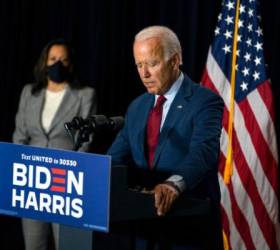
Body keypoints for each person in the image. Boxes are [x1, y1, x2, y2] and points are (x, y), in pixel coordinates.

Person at [107, 26, 224, 250]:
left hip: (188, 228)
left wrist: (172, 185)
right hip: (144, 229)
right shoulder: (138, 106)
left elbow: (203, 152)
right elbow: (116, 157)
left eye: (152, 63)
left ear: (175, 60)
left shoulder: (205, 102)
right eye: (139, 65)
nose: (144, 74)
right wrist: (92, 177)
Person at [12, 38, 97, 250]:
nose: (58, 64)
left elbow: (85, 142)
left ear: (71, 64)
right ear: (44, 62)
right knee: (33, 245)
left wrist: (68, 172)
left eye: (64, 60)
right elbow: (19, 137)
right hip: (32, 183)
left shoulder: (85, 95)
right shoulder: (29, 92)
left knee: (70, 245)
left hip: (67, 183)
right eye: (53, 59)